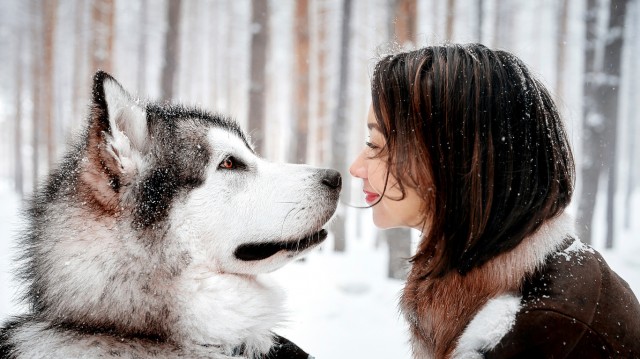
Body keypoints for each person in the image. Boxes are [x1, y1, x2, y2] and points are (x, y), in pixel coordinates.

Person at [349, 43, 640, 358]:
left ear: (454, 159)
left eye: (376, 145)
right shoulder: (498, 285)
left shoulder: (548, 329)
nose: (356, 167)